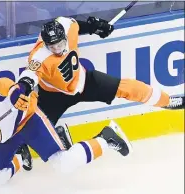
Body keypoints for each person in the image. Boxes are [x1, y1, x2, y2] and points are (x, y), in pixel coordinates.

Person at [0, 77, 132, 186]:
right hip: (5, 138)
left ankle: (106, 137)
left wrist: (15, 94)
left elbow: (1, 84)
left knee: (64, 164)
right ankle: (19, 154)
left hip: (27, 122)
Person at [16, 16, 184, 147]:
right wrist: (22, 88)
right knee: (33, 131)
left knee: (126, 88)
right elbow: (29, 75)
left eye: (59, 44)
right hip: (53, 96)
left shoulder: (66, 25)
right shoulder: (39, 56)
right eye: (52, 47)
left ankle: (167, 101)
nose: (57, 49)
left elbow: (78, 26)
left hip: (83, 82)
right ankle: (53, 136)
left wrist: (95, 27)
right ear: (45, 43)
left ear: (63, 36)